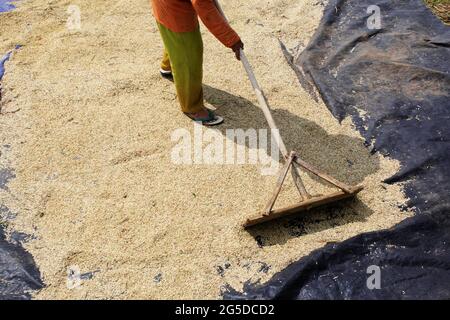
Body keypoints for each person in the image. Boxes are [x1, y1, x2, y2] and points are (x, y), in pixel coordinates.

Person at [151, 0, 244, 126]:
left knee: (174, 42)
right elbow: (206, 10)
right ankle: (192, 108)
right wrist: (232, 40)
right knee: (188, 54)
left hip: (163, 6)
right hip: (176, 15)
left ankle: (167, 67)